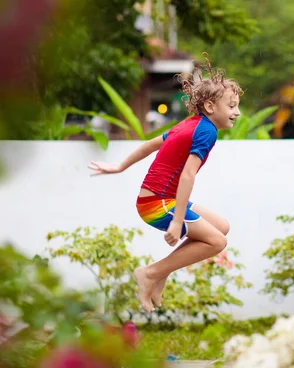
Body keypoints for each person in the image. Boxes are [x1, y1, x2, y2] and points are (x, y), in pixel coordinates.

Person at [88, 57, 242, 312]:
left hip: (155, 199)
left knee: (221, 227)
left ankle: (161, 274)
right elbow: (188, 176)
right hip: (157, 204)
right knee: (217, 242)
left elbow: (151, 144)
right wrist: (177, 220)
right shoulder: (207, 131)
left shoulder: (191, 123)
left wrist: (120, 166)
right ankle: (150, 273)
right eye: (232, 105)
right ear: (210, 106)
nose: (237, 112)